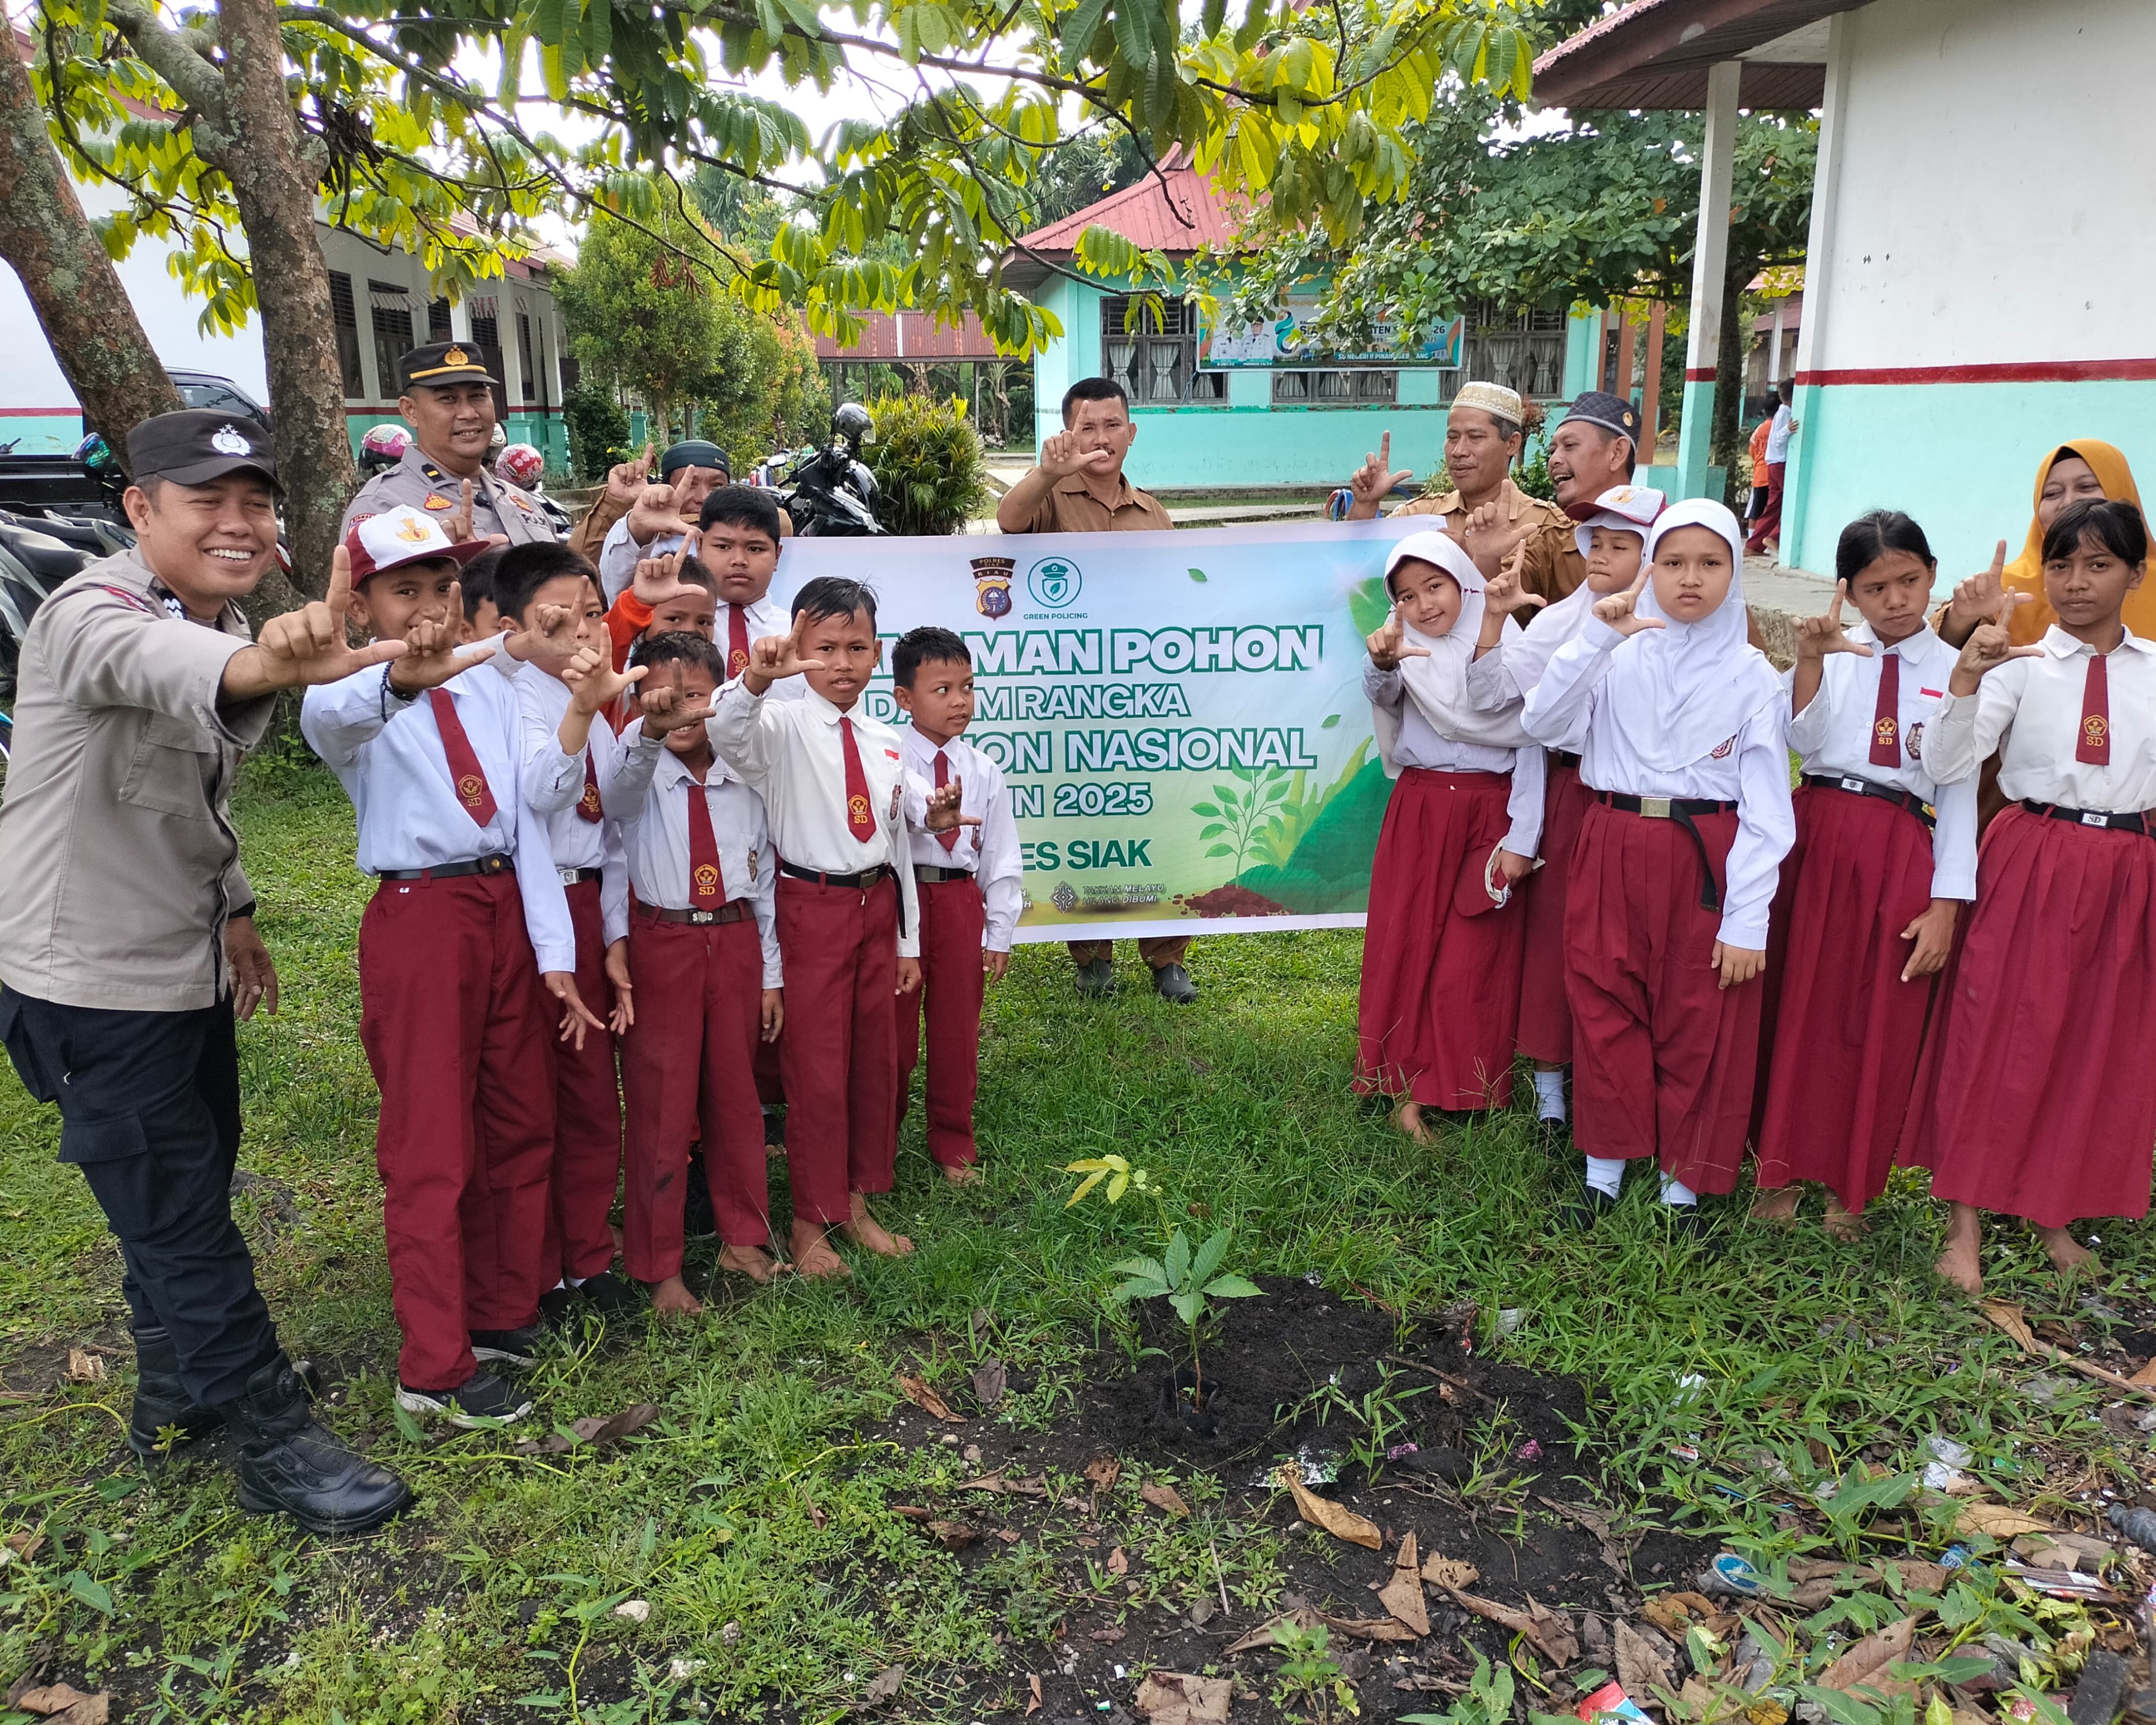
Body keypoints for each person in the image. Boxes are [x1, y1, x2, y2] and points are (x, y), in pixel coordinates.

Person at [0, 409, 410, 1533]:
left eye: (255, 502)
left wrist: (236, 912)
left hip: (176, 965)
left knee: (179, 1196)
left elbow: (190, 794)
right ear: (141, 510)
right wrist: (265, 656)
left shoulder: (208, 610)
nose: (237, 522)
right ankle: (274, 1441)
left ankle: (178, 1387)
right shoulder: (95, 613)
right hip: (84, 982)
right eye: (206, 501)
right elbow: (182, 670)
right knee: (181, 1217)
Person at [300, 507, 605, 1426]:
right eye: (405, 589)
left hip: (503, 907)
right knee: (432, 1143)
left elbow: (536, 807)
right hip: (424, 914)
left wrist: (553, 953)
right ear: (361, 606)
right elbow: (338, 720)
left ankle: (503, 1310)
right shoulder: (343, 687)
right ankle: (432, 1364)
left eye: (443, 587)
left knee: (520, 1118)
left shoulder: (485, 685)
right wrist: (396, 676)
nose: (431, 608)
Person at [1904, 499, 2156, 1297]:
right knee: (1996, 1034)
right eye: (2060, 565)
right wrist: (1968, 680)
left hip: (2124, 871)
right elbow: (1945, 764)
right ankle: (1964, 1223)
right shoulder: (2018, 666)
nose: (2076, 583)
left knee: (2089, 1041)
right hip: (2030, 859)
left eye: (2098, 565)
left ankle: (2051, 1210)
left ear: (2136, 574)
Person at [1522, 500, 1793, 1228]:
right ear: (1650, 569)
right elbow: (1541, 724)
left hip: (1703, 853)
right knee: (1603, 998)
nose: (1690, 580)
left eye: (1711, 563)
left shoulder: (1752, 676)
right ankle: (1603, 1172)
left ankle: (1684, 1186)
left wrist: (1747, 921)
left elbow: (1769, 812)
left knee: (1696, 1012)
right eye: (1672, 563)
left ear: (1736, 573)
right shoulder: (1615, 651)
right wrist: (1593, 644)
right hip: (1610, 840)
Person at [709, 578, 971, 1276]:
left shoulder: (885, 740)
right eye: (825, 648)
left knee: (873, 1063)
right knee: (818, 1072)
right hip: (811, 909)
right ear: (797, 647)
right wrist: (757, 682)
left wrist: (910, 935)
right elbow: (726, 733)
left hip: (875, 909)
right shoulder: (780, 727)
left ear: (878, 653)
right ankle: (810, 1222)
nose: (843, 663)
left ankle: (858, 1202)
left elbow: (903, 840)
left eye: (858, 647)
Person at [1749, 513, 1976, 1235]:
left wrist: (1947, 903)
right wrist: (1812, 663)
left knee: (1874, 1016)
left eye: (1910, 581)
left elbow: (1957, 787)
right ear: (1848, 591)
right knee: (1797, 1005)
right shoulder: (1828, 652)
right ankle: (1775, 1172)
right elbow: (1797, 741)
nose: (1896, 600)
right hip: (1815, 835)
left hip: (1901, 844)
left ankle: (1851, 1187)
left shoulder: (1954, 671)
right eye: (1876, 587)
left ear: (1933, 574)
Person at [1469, 485, 1666, 1135]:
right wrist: (1495, 623)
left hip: (1638, 807)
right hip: (1570, 796)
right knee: (1558, 938)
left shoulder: (1674, 632)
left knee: (1624, 946)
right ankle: (1553, 1086)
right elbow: (1496, 697)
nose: (1604, 557)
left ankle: (1621, 1080)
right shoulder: (1558, 621)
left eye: (1623, 545)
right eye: (1596, 543)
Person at [993, 377, 1196, 1003]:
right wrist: (1045, 474)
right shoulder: (1051, 498)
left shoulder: (1155, 513)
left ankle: (1167, 960)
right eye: (1088, 427)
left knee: (1155, 817)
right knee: (1083, 818)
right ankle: (1091, 958)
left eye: (1113, 426)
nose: (1102, 439)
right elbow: (1009, 520)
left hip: (1143, 698)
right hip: (1071, 699)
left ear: (1131, 433)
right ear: (1069, 434)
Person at [603, 633, 788, 1304]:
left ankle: (745, 1238)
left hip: (735, 938)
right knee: (662, 1105)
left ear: (723, 697)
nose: (680, 713)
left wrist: (771, 974)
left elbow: (763, 880)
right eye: (661, 699)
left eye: (695, 698)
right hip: (665, 945)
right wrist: (645, 733)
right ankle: (660, 1266)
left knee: (737, 1097)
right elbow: (616, 800)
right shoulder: (636, 771)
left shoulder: (747, 776)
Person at [1354, 532, 1543, 1142]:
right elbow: (1381, 692)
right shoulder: (1401, 650)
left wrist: (1524, 837)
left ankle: (1462, 1082)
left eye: (1434, 586)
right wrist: (1383, 661)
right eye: (1406, 596)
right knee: (1406, 941)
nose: (1424, 605)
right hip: (1422, 808)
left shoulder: (1511, 649)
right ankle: (1400, 1085)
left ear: (1463, 581)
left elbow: (1533, 744)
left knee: (1473, 951)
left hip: (1492, 814)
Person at [500, 542, 641, 1321]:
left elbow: (612, 832)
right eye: (559, 618)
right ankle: (539, 1270)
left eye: (593, 614)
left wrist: (616, 938)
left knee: (591, 1095)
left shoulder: (600, 700)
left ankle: (589, 1254)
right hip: (525, 912)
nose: (583, 633)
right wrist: (584, 707)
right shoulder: (513, 696)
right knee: (530, 1100)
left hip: (586, 911)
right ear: (513, 626)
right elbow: (546, 794)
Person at [890, 628, 1024, 1182]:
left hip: (957, 900)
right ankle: (878, 1142)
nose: (961, 701)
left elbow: (1000, 854)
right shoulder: (886, 756)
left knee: (955, 1032)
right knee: (891, 1036)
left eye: (967, 687)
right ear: (904, 698)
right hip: (900, 901)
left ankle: (953, 1145)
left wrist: (998, 930)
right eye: (942, 689)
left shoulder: (983, 770)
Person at [1332, 384, 1581, 601]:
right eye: (1452, 437)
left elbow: (1573, 618)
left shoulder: (1547, 527)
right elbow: (1354, 575)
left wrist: (1472, 561)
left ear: (1512, 444)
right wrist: (1365, 505)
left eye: (1475, 437)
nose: (1459, 451)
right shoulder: (1418, 515)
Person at [1938, 440, 2148, 649]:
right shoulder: (2006, 589)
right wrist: (1960, 619)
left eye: (2086, 487)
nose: (2068, 502)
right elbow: (1941, 665)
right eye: (2052, 494)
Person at [339, 343, 558, 545]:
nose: (468, 413)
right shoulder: (384, 505)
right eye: (448, 399)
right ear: (410, 411)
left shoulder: (520, 499)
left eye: (477, 396)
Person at [596, 440, 732, 604]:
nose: (703, 498)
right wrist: (638, 526)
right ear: (665, 488)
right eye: (689, 485)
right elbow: (617, 590)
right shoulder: (642, 539)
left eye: (716, 486)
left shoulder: (750, 541)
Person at [1743, 380, 1796, 557]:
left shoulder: (1782, 413)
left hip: (1773, 463)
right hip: (1779, 463)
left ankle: (1754, 545)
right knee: (1790, 501)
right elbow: (1776, 439)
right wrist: (1788, 430)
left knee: (1773, 505)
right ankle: (1774, 536)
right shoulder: (1785, 413)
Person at [1744, 414, 1772, 527]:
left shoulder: (1759, 429)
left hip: (1760, 474)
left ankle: (1752, 537)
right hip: (1775, 474)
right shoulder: (1781, 427)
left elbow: (1752, 451)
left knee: (1756, 509)